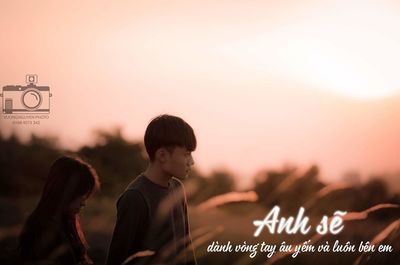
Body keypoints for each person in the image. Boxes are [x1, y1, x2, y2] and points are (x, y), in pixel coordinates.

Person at [106, 114, 197, 265]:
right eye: (186, 154)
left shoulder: (177, 189)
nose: (191, 162)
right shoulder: (135, 198)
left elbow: (186, 246)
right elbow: (117, 259)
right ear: (162, 155)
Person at [19, 156, 100, 265]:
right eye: (80, 195)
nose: (83, 203)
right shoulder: (42, 229)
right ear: (64, 191)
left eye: (85, 196)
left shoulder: (65, 222)